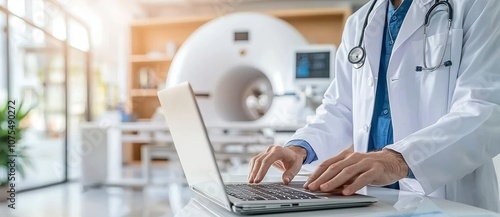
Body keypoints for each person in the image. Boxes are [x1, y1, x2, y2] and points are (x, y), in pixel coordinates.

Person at [248, 0, 500, 212]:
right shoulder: (360, 22)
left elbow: (485, 109)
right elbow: (340, 108)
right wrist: (300, 148)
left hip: (448, 198)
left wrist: (398, 159)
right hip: (371, 199)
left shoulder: (479, 5)